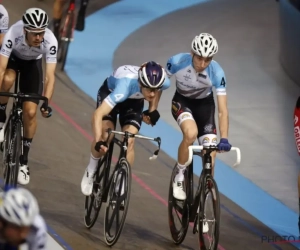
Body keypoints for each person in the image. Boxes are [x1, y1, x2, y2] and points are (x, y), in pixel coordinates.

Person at [81, 61, 170, 196]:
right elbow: (97, 114)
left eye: (155, 90)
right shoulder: (124, 87)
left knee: (129, 140)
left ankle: (122, 177)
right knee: (106, 136)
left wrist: (152, 110)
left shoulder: (163, 82)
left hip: (133, 103)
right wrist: (98, 140)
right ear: (140, 83)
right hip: (111, 94)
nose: (152, 94)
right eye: (149, 90)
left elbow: (157, 90)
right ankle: (91, 169)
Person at [166, 33, 232, 201]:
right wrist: (152, 109)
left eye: (207, 60)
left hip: (205, 106)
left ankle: (204, 200)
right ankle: (179, 175)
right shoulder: (177, 62)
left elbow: (223, 110)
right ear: (192, 53)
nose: (202, 64)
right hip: (182, 102)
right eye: (199, 58)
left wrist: (224, 138)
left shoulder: (217, 72)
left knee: (210, 154)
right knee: (190, 134)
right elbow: (160, 82)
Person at [0, 8, 57, 185]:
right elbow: (1, 68)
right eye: (35, 34)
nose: (39, 37)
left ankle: (24, 162)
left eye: (41, 33)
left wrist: (46, 102)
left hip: (33, 65)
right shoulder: (13, 33)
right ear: (25, 30)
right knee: (8, 79)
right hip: (14, 60)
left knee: (30, 113)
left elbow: (49, 76)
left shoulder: (50, 40)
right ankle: (1, 118)